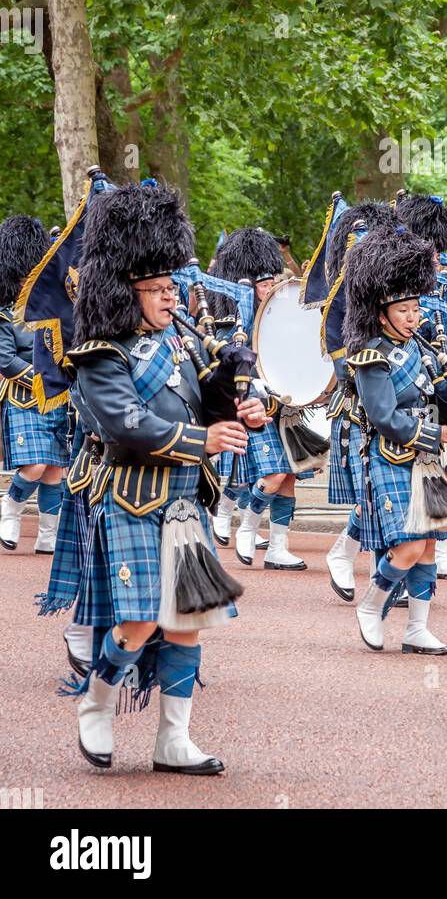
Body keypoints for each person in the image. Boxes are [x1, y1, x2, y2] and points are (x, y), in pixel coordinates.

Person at [65, 183, 268, 773]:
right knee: (138, 618)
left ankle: (172, 740)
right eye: (155, 289)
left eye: (169, 286)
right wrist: (203, 439)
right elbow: (125, 423)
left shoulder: (178, 342)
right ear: (124, 291)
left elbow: (201, 402)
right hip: (129, 497)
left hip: (183, 502)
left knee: (187, 620)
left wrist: (238, 411)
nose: (168, 296)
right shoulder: (101, 353)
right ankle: (97, 704)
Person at [344, 226, 447, 655]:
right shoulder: (371, 356)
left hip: (425, 459)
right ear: (382, 312)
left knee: (428, 544)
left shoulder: (421, 349)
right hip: (390, 455)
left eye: (416, 306)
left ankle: (416, 628)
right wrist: (437, 432)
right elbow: (383, 417)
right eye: (404, 308)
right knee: (406, 544)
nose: (413, 315)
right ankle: (372, 604)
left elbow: (439, 392)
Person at [209, 227, 313, 570]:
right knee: (272, 475)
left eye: (271, 282)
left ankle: (277, 548)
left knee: (290, 477)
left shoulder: (281, 317)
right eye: (263, 284)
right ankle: (243, 522)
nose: (270, 289)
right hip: (253, 404)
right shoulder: (231, 322)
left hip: (284, 404)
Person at [395, 191, 447, 582]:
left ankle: (440, 550)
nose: (436, 258)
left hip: (444, 386)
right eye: (429, 251)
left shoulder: (445, 289)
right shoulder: (395, 288)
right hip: (411, 390)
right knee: (416, 480)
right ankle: (347, 550)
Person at [323, 201, 396, 601]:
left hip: (400, 395)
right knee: (378, 489)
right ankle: (348, 554)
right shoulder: (344, 295)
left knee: (392, 490)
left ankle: (355, 557)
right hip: (361, 400)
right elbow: (339, 348)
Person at [0, 215, 67, 554]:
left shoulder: (50, 307)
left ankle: (47, 535)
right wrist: (42, 379)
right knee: (36, 465)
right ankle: (10, 508)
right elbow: (5, 359)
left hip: (56, 396)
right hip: (24, 395)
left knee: (55, 469)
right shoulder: (3, 312)